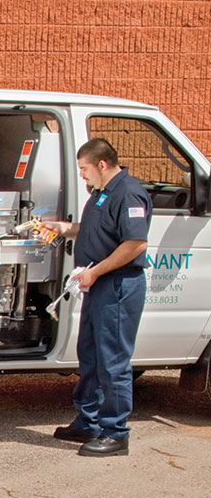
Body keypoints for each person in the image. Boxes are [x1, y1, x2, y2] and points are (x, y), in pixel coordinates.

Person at [40, 139, 152, 456]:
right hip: (98, 285)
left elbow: (135, 243)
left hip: (117, 286)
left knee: (112, 362)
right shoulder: (102, 193)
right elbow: (91, 230)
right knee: (90, 355)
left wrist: (96, 271)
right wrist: (62, 228)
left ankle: (116, 433)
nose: (83, 177)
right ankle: (87, 422)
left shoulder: (128, 193)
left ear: (101, 164)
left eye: (84, 170)